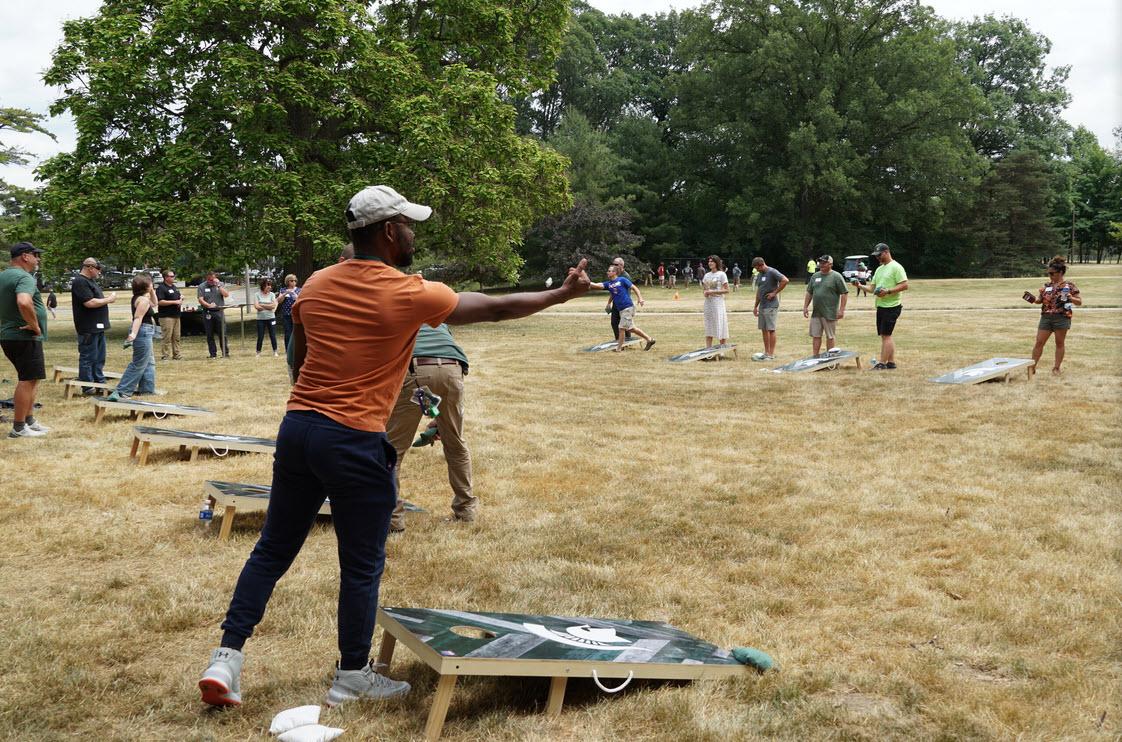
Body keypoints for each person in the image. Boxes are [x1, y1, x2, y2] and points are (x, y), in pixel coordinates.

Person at [198, 185, 592, 710]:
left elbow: (300, 358)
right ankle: (352, 676)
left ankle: (226, 659)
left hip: (298, 430)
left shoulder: (315, 285)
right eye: (408, 225)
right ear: (388, 232)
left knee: (273, 548)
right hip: (355, 439)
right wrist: (561, 295)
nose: (413, 234)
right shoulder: (409, 292)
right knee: (362, 563)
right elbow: (495, 309)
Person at [386, 324, 474, 532]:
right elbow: (438, 370)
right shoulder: (437, 319)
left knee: (391, 451)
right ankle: (466, 510)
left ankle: (393, 520)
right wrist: (438, 417)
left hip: (414, 368)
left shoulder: (393, 313)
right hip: (454, 369)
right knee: (456, 444)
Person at [0, 243, 49, 437]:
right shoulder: (24, 277)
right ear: (25, 257)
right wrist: (35, 325)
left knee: (32, 378)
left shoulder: (3, 276)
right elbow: (23, 301)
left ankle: (29, 421)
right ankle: (19, 428)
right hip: (24, 335)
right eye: (36, 255)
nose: (38, 259)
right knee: (27, 379)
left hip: (9, 335)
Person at [1025, 256, 1081, 375]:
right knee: (1039, 342)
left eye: (1052, 273)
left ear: (1060, 272)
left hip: (1062, 317)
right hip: (1046, 317)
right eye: (1048, 273)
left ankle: (1056, 368)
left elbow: (1079, 302)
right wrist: (1032, 299)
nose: (1050, 276)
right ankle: (1032, 367)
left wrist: (1070, 297)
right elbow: (1039, 300)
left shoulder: (1069, 286)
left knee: (1059, 343)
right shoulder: (1046, 286)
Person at [107, 275, 159, 401]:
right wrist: (132, 335)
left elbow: (155, 303)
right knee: (139, 363)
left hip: (145, 331)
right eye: (150, 283)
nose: (152, 284)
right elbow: (138, 318)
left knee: (149, 361)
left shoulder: (140, 298)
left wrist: (152, 291)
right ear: (145, 286)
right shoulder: (143, 301)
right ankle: (121, 392)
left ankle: (147, 389)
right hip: (143, 331)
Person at [71, 257, 118, 393]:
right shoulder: (80, 282)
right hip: (88, 328)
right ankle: (88, 386)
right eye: (98, 269)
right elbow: (89, 302)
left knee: (99, 357)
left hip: (97, 327)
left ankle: (100, 383)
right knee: (88, 357)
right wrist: (108, 299)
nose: (99, 272)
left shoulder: (90, 282)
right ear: (90, 267)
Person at [589, 264, 655, 352]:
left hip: (628, 307)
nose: (607, 272)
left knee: (621, 328)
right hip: (621, 310)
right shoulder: (608, 284)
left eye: (609, 271)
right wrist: (584, 281)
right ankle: (649, 339)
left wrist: (640, 298)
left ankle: (619, 348)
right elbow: (597, 285)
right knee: (631, 329)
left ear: (614, 272)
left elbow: (634, 288)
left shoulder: (622, 280)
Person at [867, 243, 908, 370]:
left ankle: (882, 363)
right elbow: (872, 289)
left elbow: (905, 285)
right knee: (886, 335)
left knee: (886, 335)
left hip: (892, 306)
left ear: (886, 252)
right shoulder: (879, 269)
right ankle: (891, 362)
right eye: (876, 256)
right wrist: (858, 285)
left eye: (879, 255)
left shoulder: (896, 267)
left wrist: (888, 291)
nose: (877, 257)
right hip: (881, 305)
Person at [802, 255, 849, 355]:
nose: (821, 264)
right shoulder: (815, 276)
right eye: (820, 262)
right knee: (816, 335)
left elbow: (844, 293)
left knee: (830, 336)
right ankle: (815, 357)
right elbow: (809, 292)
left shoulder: (836, 276)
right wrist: (805, 307)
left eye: (824, 262)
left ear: (830, 264)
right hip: (816, 312)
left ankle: (830, 358)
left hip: (830, 312)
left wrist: (841, 310)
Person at [751, 257, 788, 361]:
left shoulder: (772, 272)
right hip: (762, 305)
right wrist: (755, 306)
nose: (756, 270)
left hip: (771, 305)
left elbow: (785, 280)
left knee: (771, 329)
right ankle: (766, 352)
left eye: (757, 268)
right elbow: (759, 291)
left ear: (761, 264)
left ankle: (771, 354)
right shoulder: (760, 275)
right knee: (764, 329)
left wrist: (774, 293)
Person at [701, 255, 731, 354]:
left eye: (712, 262)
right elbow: (705, 289)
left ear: (716, 263)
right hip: (708, 303)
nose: (710, 263)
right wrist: (705, 293)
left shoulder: (721, 274)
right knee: (709, 324)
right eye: (709, 261)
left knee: (720, 324)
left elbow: (727, 290)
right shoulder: (707, 275)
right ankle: (708, 349)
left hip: (718, 302)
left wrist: (712, 292)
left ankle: (721, 349)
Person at [197, 270, 230, 358]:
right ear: (206, 279)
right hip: (208, 312)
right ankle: (213, 354)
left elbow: (226, 295)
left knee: (222, 333)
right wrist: (208, 305)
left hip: (219, 311)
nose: (211, 281)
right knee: (209, 334)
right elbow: (200, 299)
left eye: (212, 279)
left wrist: (218, 286)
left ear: (215, 278)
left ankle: (225, 353)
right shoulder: (202, 286)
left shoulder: (220, 284)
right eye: (209, 280)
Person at [154, 269, 183, 360]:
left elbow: (178, 298)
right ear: (165, 277)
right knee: (167, 337)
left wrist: (181, 298)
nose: (173, 277)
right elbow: (160, 302)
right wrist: (175, 302)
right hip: (166, 316)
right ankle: (165, 355)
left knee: (176, 337)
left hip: (176, 315)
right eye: (171, 276)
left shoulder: (174, 287)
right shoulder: (161, 288)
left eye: (173, 276)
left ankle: (176, 354)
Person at [607, 256, 633, 341]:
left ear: (621, 265)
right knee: (614, 322)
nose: (613, 266)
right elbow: (613, 291)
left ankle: (628, 340)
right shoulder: (615, 275)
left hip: (624, 304)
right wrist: (609, 303)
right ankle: (618, 340)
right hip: (616, 303)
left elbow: (624, 291)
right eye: (613, 264)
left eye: (616, 264)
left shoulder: (625, 276)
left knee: (625, 325)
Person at [253, 278, 279, 357]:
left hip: (271, 318)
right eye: (268, 285)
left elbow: (273, 306)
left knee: (273, 335)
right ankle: (258, 352)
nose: (270, 287)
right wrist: (268, 306)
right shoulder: (257, 294)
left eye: (270, 285)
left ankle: (275, 351)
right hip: (260, 319)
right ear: (263, 285)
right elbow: (257, 307)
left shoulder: (272, 294)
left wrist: (262, 305)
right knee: (260, 336)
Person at [278, 274, 301, 350]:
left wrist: (294, 294)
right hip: (286, 314)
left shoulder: (299, 290)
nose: (294, 282)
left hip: (296, 314)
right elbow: (279, 301)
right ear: (287, 282)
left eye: (295, 280)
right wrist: (285, 294)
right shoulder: (283, 290)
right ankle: (288, 349)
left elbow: (300, 300)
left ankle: (296, 348)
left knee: (297, 332)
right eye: (291, 281)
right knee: (288, 332)